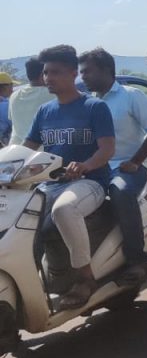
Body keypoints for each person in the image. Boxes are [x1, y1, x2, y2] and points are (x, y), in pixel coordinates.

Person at [23, 45, 115, 309]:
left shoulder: (94, 107)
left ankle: (85, 278)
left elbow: (107, 150)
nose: (48, 78)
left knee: (64, 210)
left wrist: (85, 166)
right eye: (45, 72)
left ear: (73, 73)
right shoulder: (44, 111)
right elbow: (27, 149)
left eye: (55, 72)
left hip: (90, 182)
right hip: (50, 184)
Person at [79, 47, 147, 285]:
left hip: (127, 166)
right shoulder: (89, 102)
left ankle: (137, 259)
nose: (83, 77)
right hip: (97, 167)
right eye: (81, 72)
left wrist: (136, 161)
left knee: (120, 192)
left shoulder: (131, 95)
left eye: (87, 71)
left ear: (106, 70)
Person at [8, 58, 50, 147]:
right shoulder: (54, 94)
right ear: (42, 75)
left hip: (16, 150)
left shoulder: (14, 96)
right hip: (42, 152)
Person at [0, 71, 13, 146]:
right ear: (4, 87)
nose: (12, 88)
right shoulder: (6, 105)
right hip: (7, 147)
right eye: (11, 85)